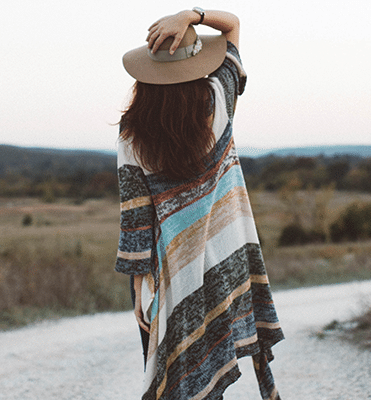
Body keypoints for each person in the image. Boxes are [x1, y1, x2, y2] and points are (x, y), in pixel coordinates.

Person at [116, 8, 284, 400]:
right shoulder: (218, 97)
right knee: (211, 357)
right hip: (227, 255)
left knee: (179, 372)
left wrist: (141, 287)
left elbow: (136, 217)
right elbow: (233, 26)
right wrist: (191, 14)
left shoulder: (131, 130)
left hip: (169, 269)